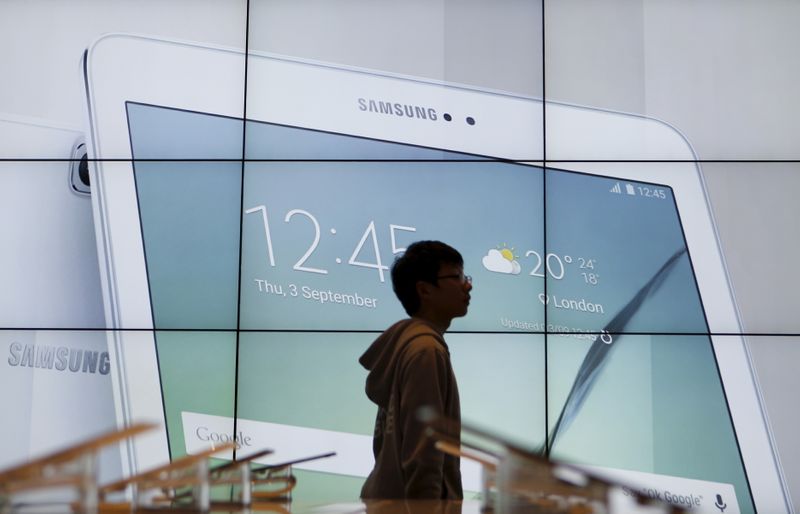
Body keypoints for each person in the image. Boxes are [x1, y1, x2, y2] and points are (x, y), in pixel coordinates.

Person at [359, 240, 472, 499]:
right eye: (456, 277)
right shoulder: (425, 351)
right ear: (425, 290)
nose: (468, 284)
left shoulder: (406, 347)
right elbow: (424, 453)